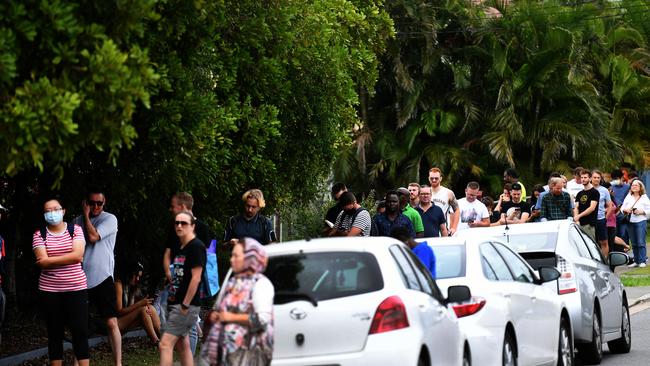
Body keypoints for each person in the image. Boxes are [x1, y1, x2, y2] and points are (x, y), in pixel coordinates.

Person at [33, 197, 89, 366]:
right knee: (54, 333)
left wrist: (50, 260)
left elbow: (78, 255)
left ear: (63, 211)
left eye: (55, 209)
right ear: (44, 214)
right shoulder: (39, 234)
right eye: (48, 211)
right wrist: (69, 257)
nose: (52, 213)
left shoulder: (76, 230)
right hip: (49, 291)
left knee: (80, 332)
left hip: (76, 289)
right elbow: (41, 261)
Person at [200, 238, 274, 366]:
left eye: (236, 256)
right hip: (224, 355)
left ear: (249, 258)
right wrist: (215, 315)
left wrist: (231, 317)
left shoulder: (261, 284)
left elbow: (262, 320)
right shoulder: (233, 282)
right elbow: (219, 309)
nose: (231, 259)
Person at [73, 189, 121, 365]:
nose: (95, 207)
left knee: (111, 323)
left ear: (104, 203)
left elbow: (93, 237)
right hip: (80, 280)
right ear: (86, 202)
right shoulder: (76, 222)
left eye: (99, 203)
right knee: (80, 326)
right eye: (91, 203)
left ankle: (118, 363)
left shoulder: (110, 219)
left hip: (103, 277)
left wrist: (86, 216)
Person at [163, 192, 211, 353]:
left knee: (187, 328)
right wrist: (169, 274)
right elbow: (167, 253)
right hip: (174, 283)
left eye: (173, 206)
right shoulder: (174, 226)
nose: (171, 209)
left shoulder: (202, 229)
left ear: (183, 207)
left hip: (191, 284)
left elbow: (200, 263)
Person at [160, 211, 206, 366]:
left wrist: (185, 304)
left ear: (192, 226)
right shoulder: (181, 246)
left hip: (187, 305)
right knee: (183, 345)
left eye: (184, 223)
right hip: (177, 303)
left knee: (165, 344)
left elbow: (196, 278)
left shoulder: (196, 247)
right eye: (177, 223)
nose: (179, 226)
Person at [115, 261, 161, 345]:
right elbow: (119, 312)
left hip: (127, 320)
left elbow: (134, 309)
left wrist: (144, 305)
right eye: (136, 276)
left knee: (149, 308)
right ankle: (156, 341)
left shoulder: (132, 287)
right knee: (143, 310)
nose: (137, 279)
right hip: (115, 323)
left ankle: (164, 338)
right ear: (129, 274)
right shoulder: (118, 284)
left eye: (139, 277)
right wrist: (139, 304)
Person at [621, 180, 650, 268]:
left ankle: (643, 261)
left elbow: (649, 209)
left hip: (640, 221)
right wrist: (625, 210)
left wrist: (642, 212)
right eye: (632, 185)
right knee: (633, 242)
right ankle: (636, 261)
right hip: (630, 221)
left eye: (636, 185)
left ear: (640, 187)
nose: (634, 187)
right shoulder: (628, 196)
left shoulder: (644, 197)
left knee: (641, 242)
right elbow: (622, 207)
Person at [428, 168, 460, 235]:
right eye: (432, 178)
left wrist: (454, 228)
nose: (434, 180)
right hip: (428, 229)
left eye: (436, 178)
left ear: (440, 178)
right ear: (429, 178)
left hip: (444, 231)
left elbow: (457, 210)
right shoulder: (424, 192)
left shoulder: (448, 193)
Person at [574, 169, 599, 241]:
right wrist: (576, 218)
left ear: (590, 178)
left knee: (590, 244)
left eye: (585, 177)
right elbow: (576, 207)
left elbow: (592, 208)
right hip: (579, 224)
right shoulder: (579, 193)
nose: (583, 179)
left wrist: (579, 216)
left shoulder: (594, 192)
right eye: (582, 177)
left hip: (589, 224)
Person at [591, 170, 613, 256]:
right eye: (594, 177)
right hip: (589, 220)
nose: (596, 179)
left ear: (601, 179)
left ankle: (605, 262)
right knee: (591, 243)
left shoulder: (604, 190)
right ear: (590, 178)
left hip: (601, 219)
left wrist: (605, 218)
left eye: (598, 178)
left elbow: (610, 206)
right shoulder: (585, 189)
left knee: (604, 242)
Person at [611, 169, 631, 243]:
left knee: (623, 234)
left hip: (623, 215)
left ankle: (624, 252)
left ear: (622, 178)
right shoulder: (610, 187)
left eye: (617, 179)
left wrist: (620, 207)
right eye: (614, 179)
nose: (615, 180)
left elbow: (629, 200)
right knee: (614, 236)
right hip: (613, 215)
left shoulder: (628, 187)